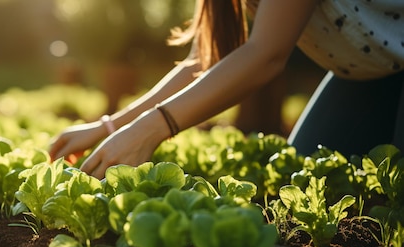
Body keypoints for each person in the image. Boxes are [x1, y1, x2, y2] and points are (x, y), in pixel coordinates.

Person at [48, 0, 404, 179]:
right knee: (300, 182)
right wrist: (109, 126)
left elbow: (266, 54)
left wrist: (153, 129)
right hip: (367, 74)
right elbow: (204, 58)